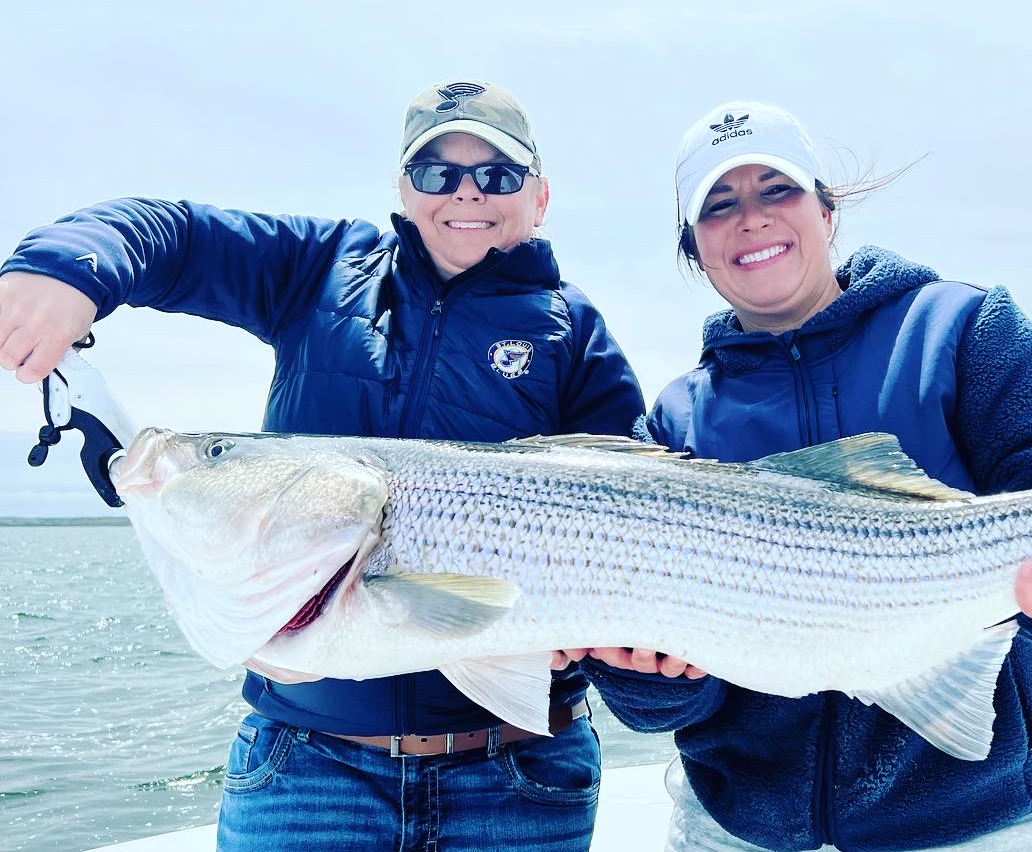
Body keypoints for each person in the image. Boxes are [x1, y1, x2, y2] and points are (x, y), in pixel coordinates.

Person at [0, 81, 644, 850]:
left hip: (519, 776)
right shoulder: (320, 269)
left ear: (539, 196)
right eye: (437, 172)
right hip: (307, 771)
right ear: (403, 193)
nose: (466, 192)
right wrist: (69, 268)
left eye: (497, 174)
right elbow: (179, 235)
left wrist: (625, 652)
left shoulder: (577, 334)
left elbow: (636, 513)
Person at [577, 101, 1032, 851]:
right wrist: (649, 679)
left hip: (981, 826)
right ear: (696, 249)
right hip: (741, 832)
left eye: (775, 189)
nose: (751, 218)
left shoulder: (961, 328)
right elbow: (664, 703)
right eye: (719, 206)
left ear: (825, 209)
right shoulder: (675, 424)